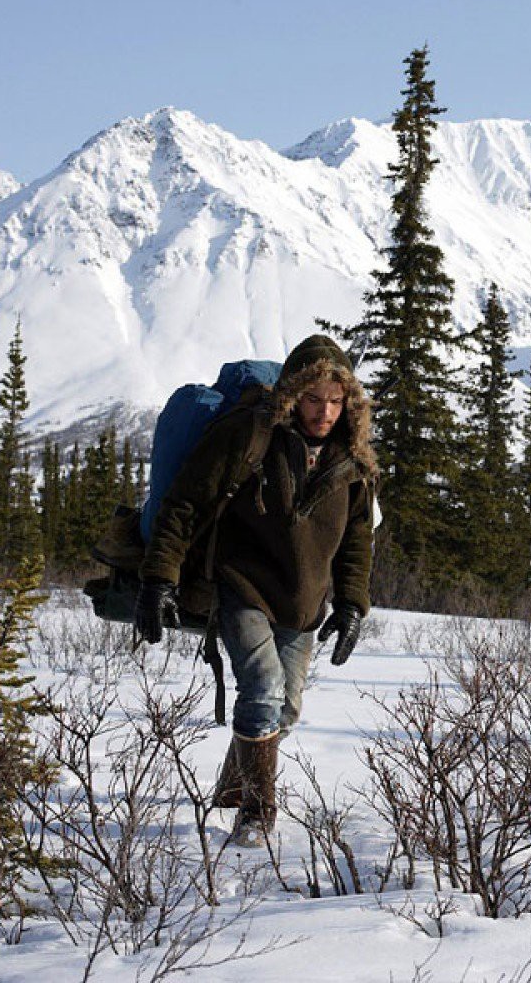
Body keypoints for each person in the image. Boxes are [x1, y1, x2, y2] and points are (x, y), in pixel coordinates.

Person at [135, 334, 377, 846]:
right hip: (242, 584)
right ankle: (256, 816)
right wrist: (160, 577)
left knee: (285, 709)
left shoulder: (352, 460)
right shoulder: (253, 435)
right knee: (262, 688)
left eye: (336, 401)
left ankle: (234, 786)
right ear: (293, 393)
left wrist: (353, 603)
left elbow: (358, 540)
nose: (325, 411)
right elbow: (184, 505)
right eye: (314, 398)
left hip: (303, 602)